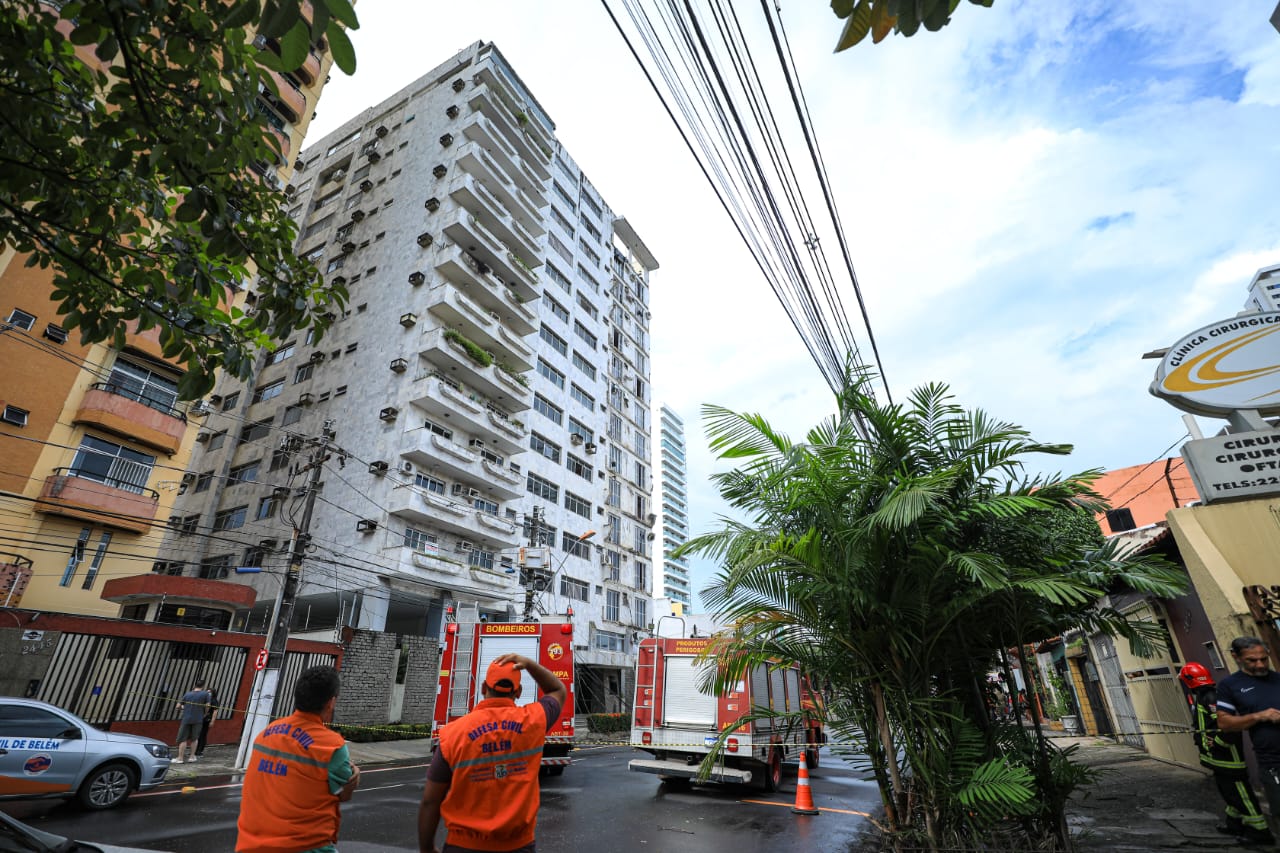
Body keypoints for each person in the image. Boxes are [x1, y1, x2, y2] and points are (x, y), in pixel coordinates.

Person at [418, 653, 567, 853]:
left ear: (483, 688)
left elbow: (430, 801)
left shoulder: (453, 734)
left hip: (462, 846)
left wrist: (427, 849)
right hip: (518, 846)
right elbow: (557, 689)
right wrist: (530, 664)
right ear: (519, 691)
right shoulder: (534, 720)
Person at [236, 665, 361, 853]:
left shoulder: (265, 734)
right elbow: (343, 793)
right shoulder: (331, 746)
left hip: (250, 845)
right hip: (306, 846)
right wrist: (354, 780)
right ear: (331, 702)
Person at [1179, 661, 1273, 844]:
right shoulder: (1202, 695)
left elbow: (1229, 727)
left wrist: (1217, 744)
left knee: (1241, 794)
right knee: (1229, 793)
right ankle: (1235, 823)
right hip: (1218, 760)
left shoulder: (1211, 697)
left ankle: (1260, 832)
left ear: (1190, 681)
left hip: (1229, 760)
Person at [1215, 636, 1280, 840]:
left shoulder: (1278, 679)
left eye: (1264, 658)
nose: (1260, 664)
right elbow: (1224, 723)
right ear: (1236, 657)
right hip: (1273, 762)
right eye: (1252, 660)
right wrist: (1260, 716)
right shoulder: (1230, 686)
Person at [175, 679, 211, 764]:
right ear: (203, 686)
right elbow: (208, 705)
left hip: (186, 718)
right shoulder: (206, 694)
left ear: (195, 685)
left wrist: (184, 708)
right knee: (194, 738)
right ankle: (192, 757)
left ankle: (180, 758)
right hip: (198, 719)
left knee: (183, 739)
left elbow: (178, 706)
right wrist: (204, 713)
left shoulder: (188, 694)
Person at [195, 685, 218, 758]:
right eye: (207, 692)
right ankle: (195, 750)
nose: (208, 693)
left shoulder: (214, 701)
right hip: (200, 718)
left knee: (203, 735)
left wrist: (212, 721)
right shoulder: (205, 699)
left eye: (210, 692)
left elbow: (215, 711)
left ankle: (200, 751)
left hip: (207, 720)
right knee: (198, 735)